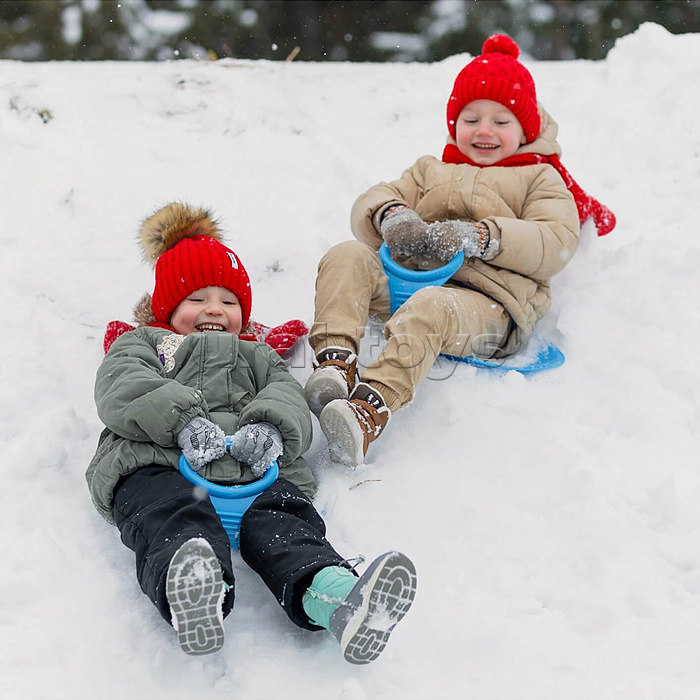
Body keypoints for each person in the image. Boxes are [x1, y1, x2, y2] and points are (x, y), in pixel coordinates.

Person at [86, 202, 417, 664]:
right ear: (167, 307)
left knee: (287, 528)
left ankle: (338, 598)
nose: (214, 310)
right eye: (197, 299)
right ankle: (196, 591)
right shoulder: (145, 343)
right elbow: (122, 384)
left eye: (229, 302)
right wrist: (183, 421)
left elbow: (287, 395)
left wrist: (270, 426)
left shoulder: (257, 355)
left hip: (254, 474)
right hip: (161, 465)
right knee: (170, 518)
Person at [305, 34, 615, 467]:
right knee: (346, 255)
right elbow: (371, 201)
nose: (484, 131)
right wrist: (393, 215)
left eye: (501, 121)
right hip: (406, 283)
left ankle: (367, 412)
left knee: (434, 306)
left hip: (489, 308)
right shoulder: (430, 169)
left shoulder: (540, 179)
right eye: (471, 118)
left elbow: (556, 243)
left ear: (525, 129)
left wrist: (482, 237)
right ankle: (335, 363)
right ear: (454, 124)